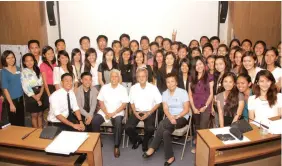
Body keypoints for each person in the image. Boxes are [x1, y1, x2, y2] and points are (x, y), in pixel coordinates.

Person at [143, 73, 190, 166]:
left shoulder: (183, 92)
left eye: (172, 81)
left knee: (161, 123)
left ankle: (152, 147)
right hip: (169, 118)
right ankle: (170, 157)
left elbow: (186, 109)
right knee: (165, 133)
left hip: (182, 118)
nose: (170, 84)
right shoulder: (164, 93)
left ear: (176, 82)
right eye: (168, 82)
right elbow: (165, 109)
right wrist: (170, 117)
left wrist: (177, 116)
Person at [92, 69, 129, 158]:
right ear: (109, 77)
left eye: (116, 76)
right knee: (95, 121)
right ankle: (97, 141)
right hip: (105, 111)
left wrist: (113, 113)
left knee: (118, 123)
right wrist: (106, 112)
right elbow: (100, 101)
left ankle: (116, 146)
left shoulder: (123, 89)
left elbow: (124, 105)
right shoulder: (104, 87)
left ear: (119, 78)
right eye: (112, 76)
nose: (114, 78)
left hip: (117, 112)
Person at [125, 68, 162, 152]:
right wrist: (135, 112)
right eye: (139, 76)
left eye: (143, 76)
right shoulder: (133, 88)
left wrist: (148, 113)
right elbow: (131, 102)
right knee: (127, 127)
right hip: (136, 111)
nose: (141, 78)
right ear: (137, 78)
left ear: (147, 77)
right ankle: (137, 139)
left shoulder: (153, 88)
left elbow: (158, 102)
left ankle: (145, 141)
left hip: (149, 112)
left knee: (150, 129)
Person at [188, 56, 214, 153]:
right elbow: (190, 94)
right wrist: (193, 107)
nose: (198, 66)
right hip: (195, 106)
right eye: (196, 65)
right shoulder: (191, 77)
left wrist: (206, 106)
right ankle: (199, 142)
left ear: (204, 64)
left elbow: (211, 94)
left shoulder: (210, 76)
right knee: (197, 126)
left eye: (200, 64)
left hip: (206, 106)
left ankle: (201, 148)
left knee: (203, 126)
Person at [21, 53, 48, 128]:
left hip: (40, 93)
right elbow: (25, 86)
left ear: (34, 61)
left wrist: (40, 94)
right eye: (27, 61)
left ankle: (40, 130)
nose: (29, 62)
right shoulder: (24, 72)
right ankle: (35, 133)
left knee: (40, 114)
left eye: (31, 60)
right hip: (31, 95)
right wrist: (36, 98)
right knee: (34, 115)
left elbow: (43, 83)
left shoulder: (38, 69)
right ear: (24, 62)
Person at [1, 50, 25, 126]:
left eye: (12, 57)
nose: (11, 60)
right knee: (14, 123)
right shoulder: (3, 72)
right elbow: (5, 89)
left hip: (21, 99)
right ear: (4, 59)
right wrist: (11, 103)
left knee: (22, 121)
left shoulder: (18, 68)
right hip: (11, 100)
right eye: (8, 58)